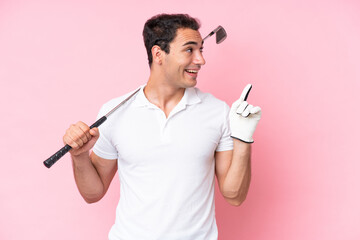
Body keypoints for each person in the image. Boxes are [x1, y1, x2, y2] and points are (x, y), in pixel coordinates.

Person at [63, 13, 261, 240]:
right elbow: (93, 193)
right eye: (189, 50)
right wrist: (79, 156)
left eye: (201, 50)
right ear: (158, 54)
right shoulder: (115, 112)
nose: (200, 60)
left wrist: (244, 137)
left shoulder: (217, 111)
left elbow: (234, 196)